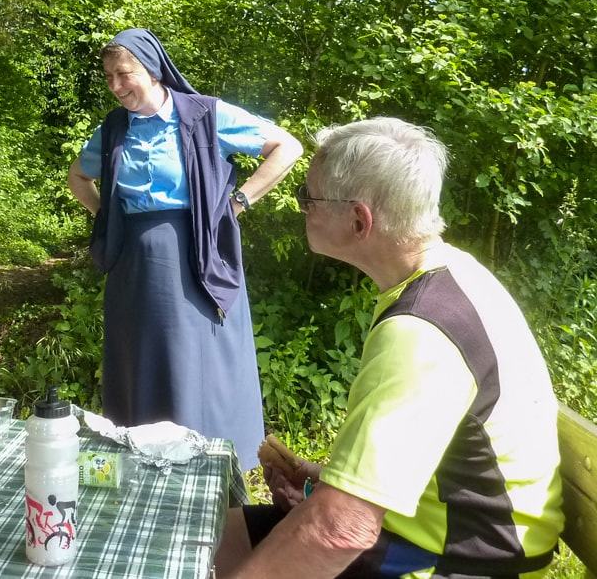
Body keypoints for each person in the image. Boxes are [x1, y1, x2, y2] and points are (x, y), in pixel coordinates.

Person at [215, 118, 563, 578]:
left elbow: (342, 531)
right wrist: (323, 481)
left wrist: (330, 506)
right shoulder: (454, 275)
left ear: (360, 220)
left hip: (460, 561)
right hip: (431, 531)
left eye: (308, 197)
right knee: (211, 536)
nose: (302, 208)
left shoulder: (421, 332)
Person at [67, 28, 303, 468]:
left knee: (197, 359)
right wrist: (108, 215)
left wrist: (238, 203)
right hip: (133, 263)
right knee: (141, 360)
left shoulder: (204, 115)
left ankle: (210, 464)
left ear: (152, 70)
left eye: (124, 73)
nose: (116, 85)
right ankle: (143, 460)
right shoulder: (114, 128)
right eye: (108, 77)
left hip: (197, 258)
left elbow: (287, 147)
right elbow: (77, 177)